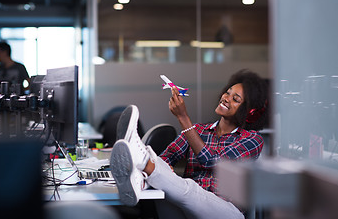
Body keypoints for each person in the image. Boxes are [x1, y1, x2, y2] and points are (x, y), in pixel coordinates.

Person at [110, 69, 269, 219]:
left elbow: (211, 160)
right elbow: (167, 158)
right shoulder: (198, 130)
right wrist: (164, 168)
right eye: (228, 92)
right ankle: (140, 177)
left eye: (236, 99)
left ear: (249, 111)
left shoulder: (252, 140)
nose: (226, 98)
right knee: (163, 186)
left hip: (226, 210)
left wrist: (183, 118)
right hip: (188, 207)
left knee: (189, 189)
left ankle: (142, 162)